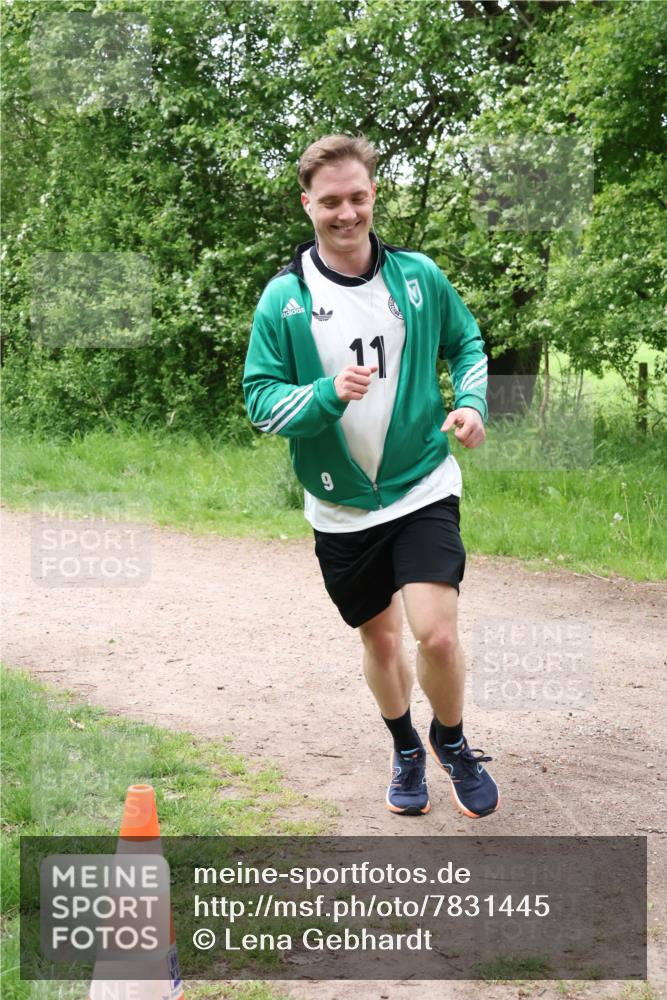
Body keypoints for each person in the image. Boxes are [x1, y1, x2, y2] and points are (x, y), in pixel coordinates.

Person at [243, 134, 499, 819]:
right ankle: (406, 748)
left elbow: (466, 342)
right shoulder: (284, 301)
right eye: (330, 202)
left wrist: (470, 404)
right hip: (340, 508)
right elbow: (261, 403)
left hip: (421, 481)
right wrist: (327, 393)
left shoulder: (416, 277)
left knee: (435, 631)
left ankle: (452, 739)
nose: (346, 213)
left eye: (357, 197)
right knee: (380, 638)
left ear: (372, 195)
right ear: (307, 205)